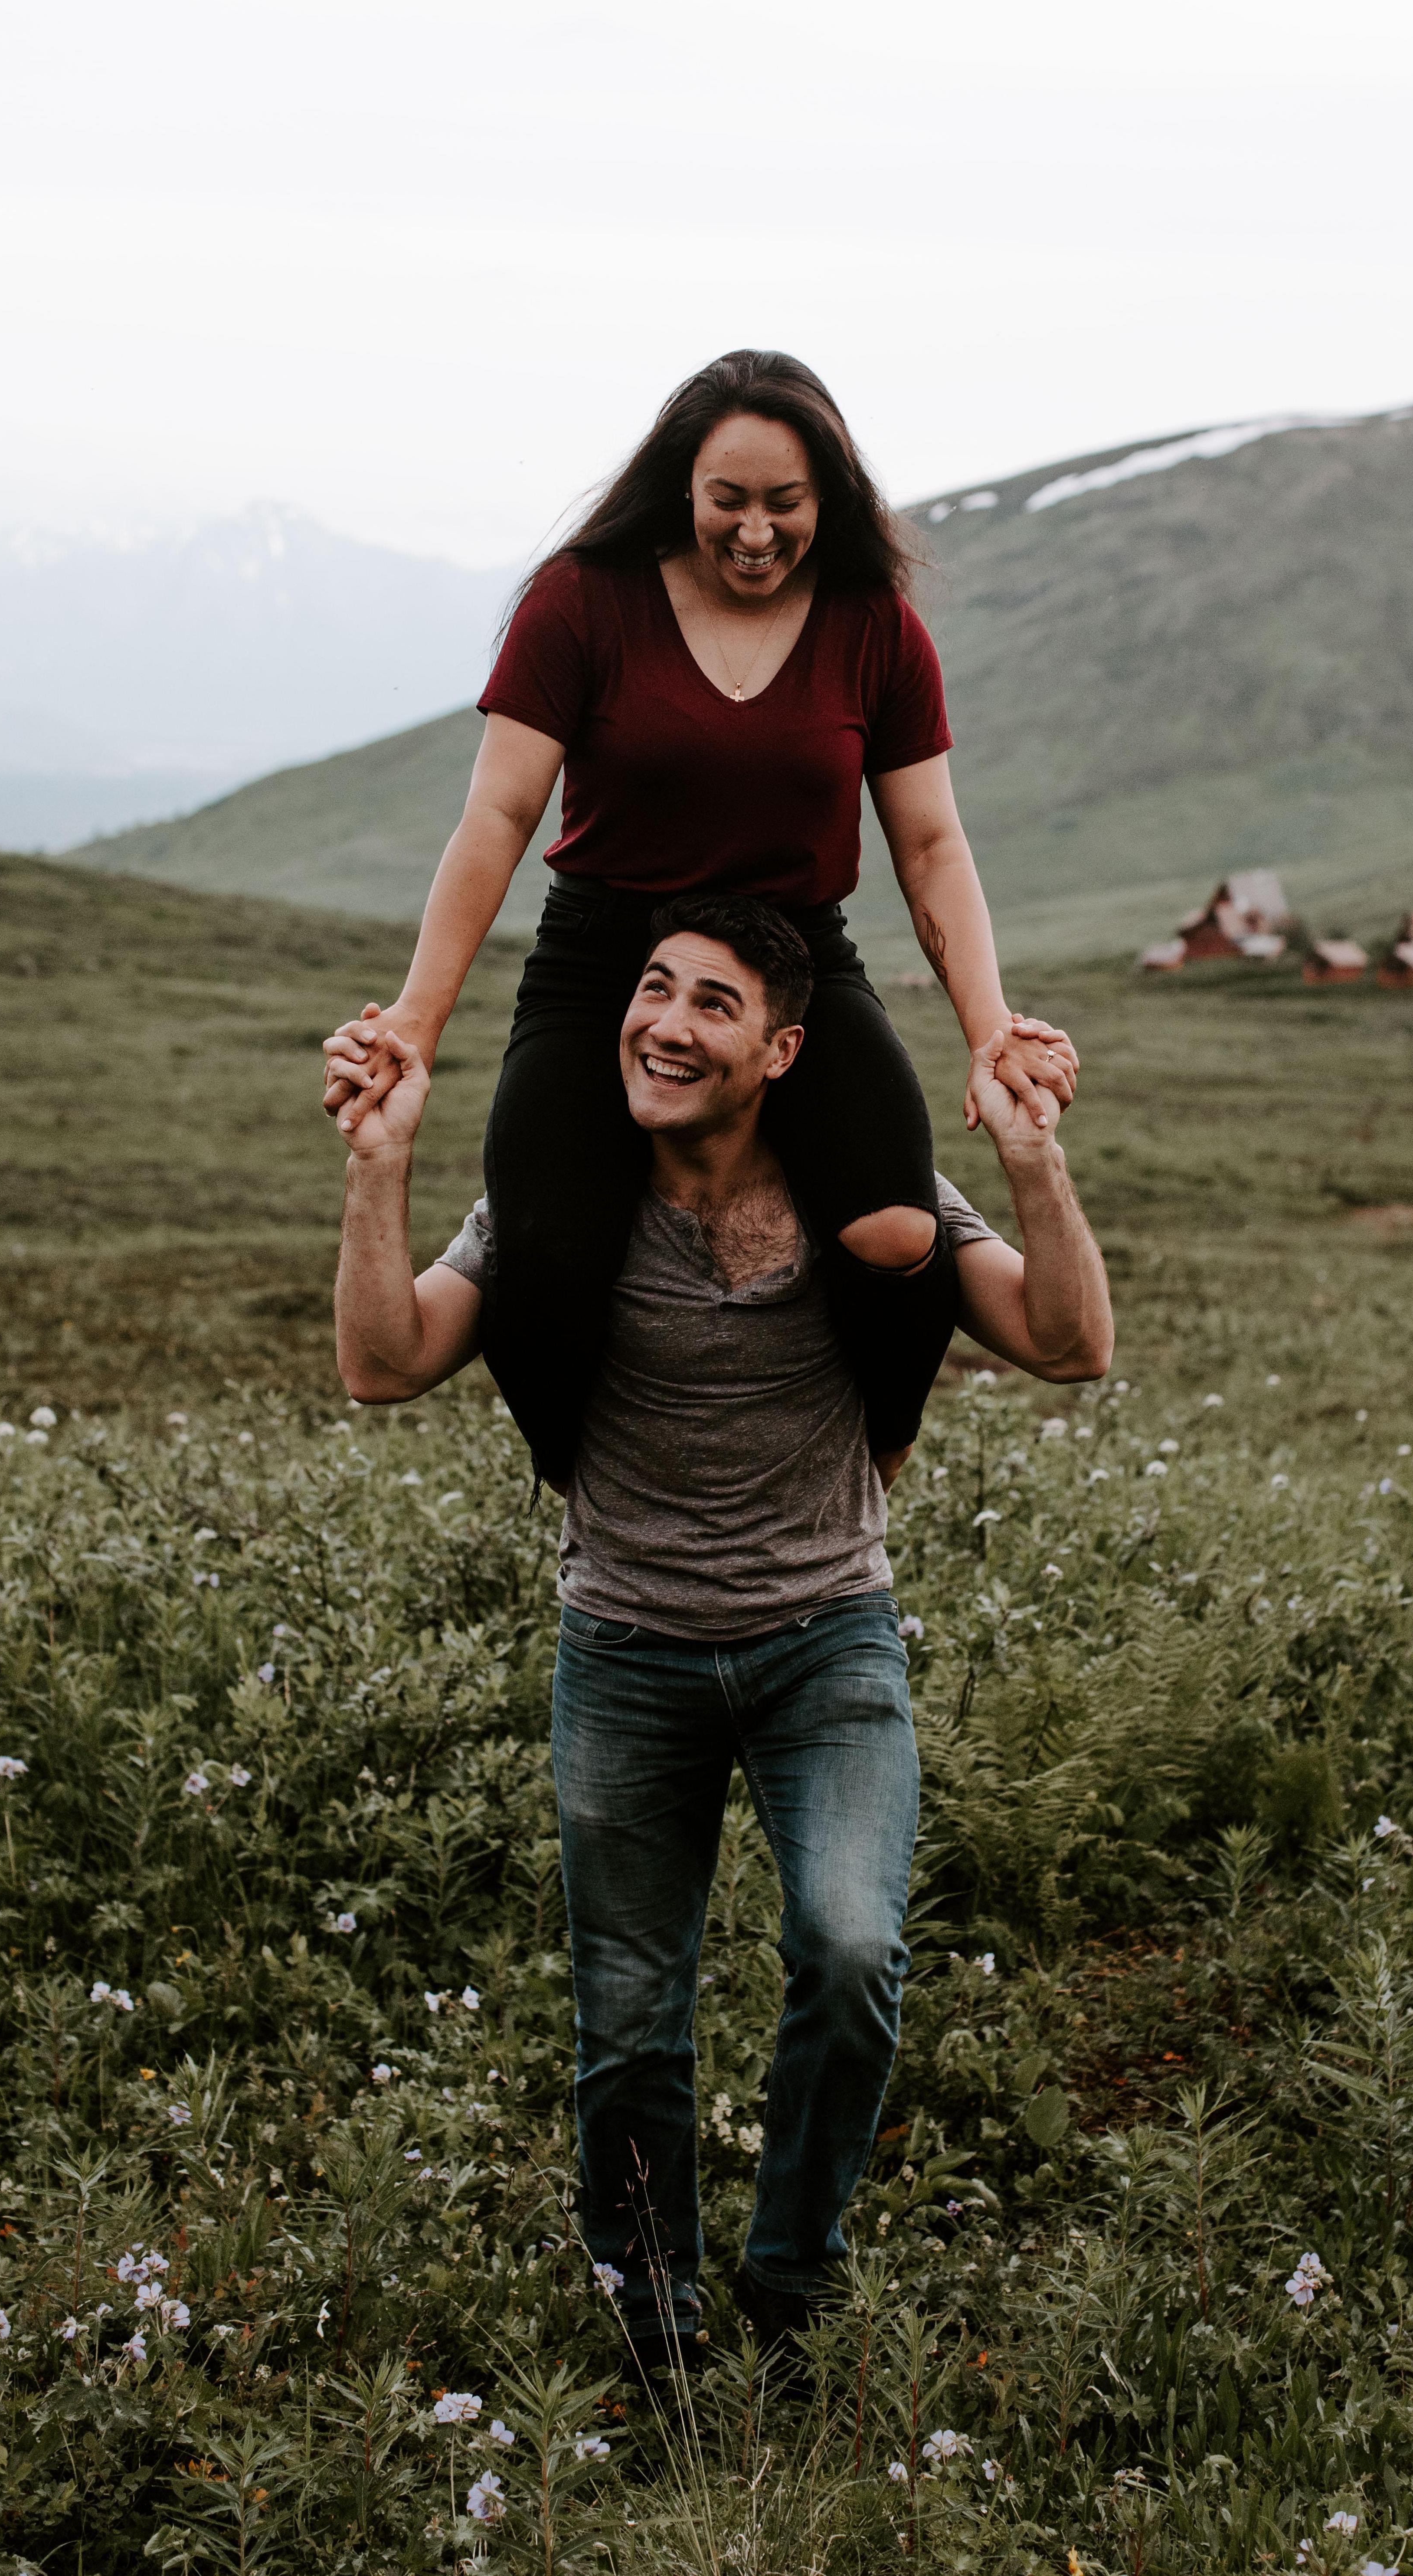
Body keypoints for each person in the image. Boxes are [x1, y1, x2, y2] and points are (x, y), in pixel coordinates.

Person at [330, 891, 1113, 2373]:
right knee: (629, 2022)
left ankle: (792, 2278)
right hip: (622, 1650)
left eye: (711, 1005)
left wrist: (1032, 1160)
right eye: (651, 989)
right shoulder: (558, 1197)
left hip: (828, 1639)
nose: (664, 1026)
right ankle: (652, 2322)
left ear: (782, 1049)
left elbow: (1071, 1343)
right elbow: (386, 1363)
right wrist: (378, 1167)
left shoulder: (868, 1194)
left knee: (848, 1944)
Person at [321, 348, 1079, 1494]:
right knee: (545, 1263)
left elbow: (929, 845)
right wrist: (418, 1021)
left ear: (825, 499)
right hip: (600, 965)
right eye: (730, 499)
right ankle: (594, 1496)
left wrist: (987, 1026)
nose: (757, 530)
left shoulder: (874, 623)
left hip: (793, 965)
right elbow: (498, 815)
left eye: (786, 503)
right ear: (683, 484)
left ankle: (870, 1468)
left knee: (894, 1235)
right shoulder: (581, 600)